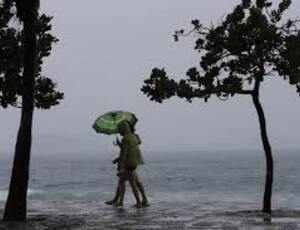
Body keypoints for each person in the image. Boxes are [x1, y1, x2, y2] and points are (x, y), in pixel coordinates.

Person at [105, 120, 148, 207]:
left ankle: (138, 202)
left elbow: (124, 153)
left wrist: (120, 165)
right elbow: (132, 146)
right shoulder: (134, 137)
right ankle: (142, 199)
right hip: (135, 162)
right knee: (130, 181)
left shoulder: (126, 138)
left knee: (131, 183)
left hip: (128, 163)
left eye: (120, 129)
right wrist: (120, 145)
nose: (119, 131)